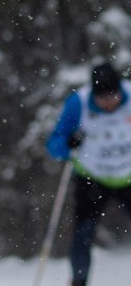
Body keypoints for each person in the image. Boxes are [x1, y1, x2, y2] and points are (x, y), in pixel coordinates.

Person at [47, 62, 131, 286]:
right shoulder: (78, 103)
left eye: (112, 96)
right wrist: (68, 143)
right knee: (83, 234)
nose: (109, 103)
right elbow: (54, 144)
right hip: (92, 178)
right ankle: (79, 281)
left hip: (128, 176)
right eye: (102, 98)